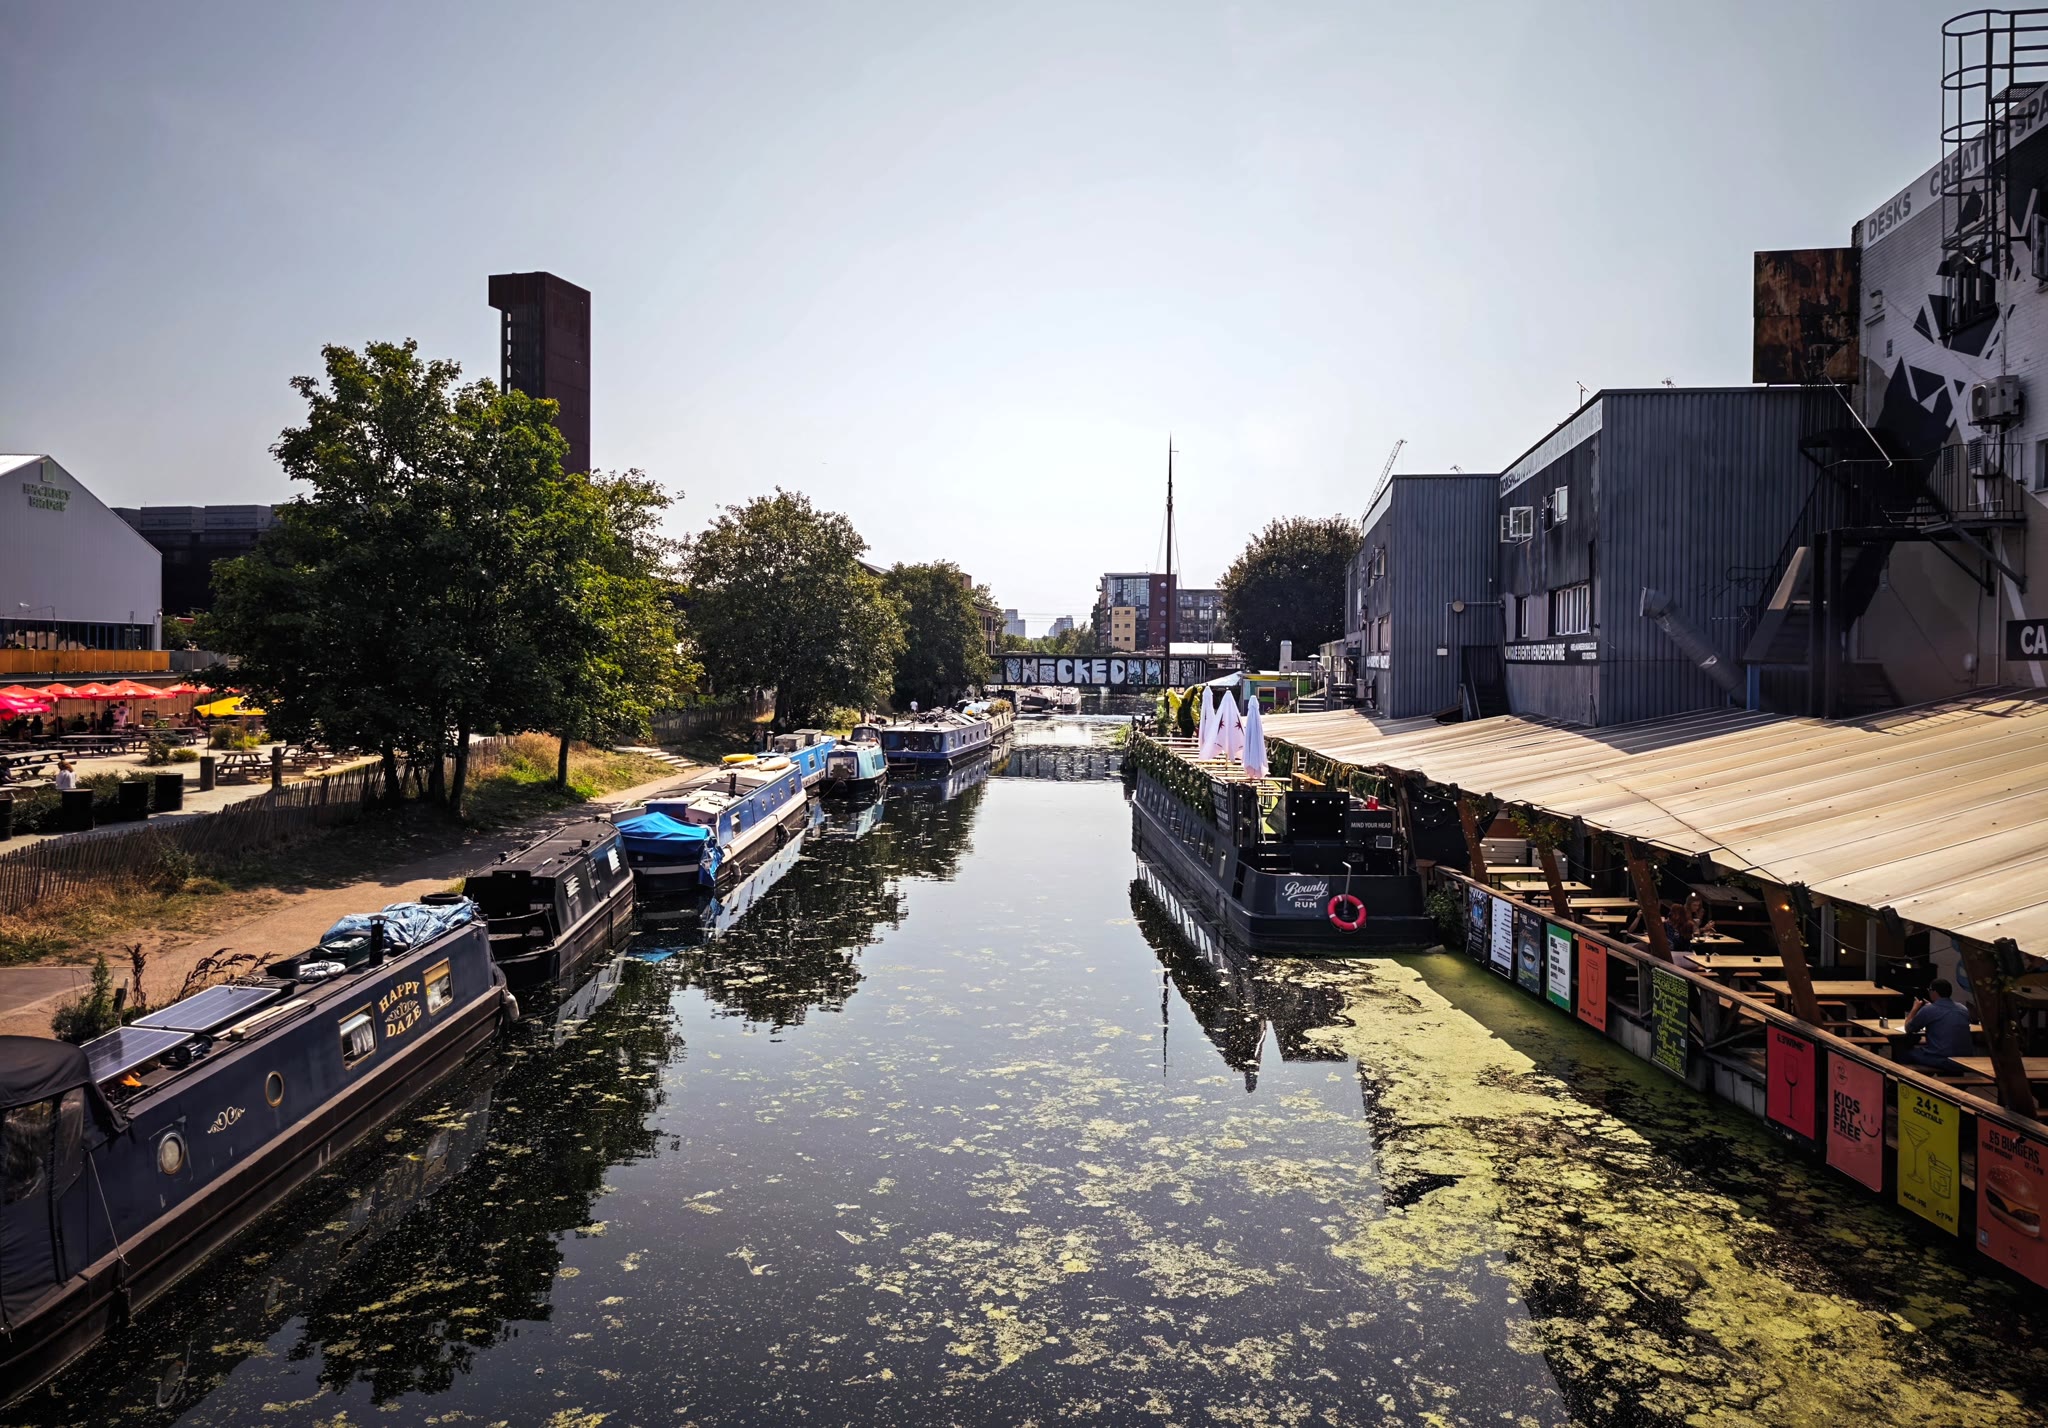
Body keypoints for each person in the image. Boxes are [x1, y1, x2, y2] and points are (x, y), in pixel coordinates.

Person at [1902, 978, 1975, 1072]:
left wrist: (1915, 1008)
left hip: (1942, 1058)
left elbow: (1908, 1028)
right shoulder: (1963, 1009)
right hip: (1965, 1058)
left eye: (1929, 990)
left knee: (1904, 1053)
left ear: (1934, 992)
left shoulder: (1929, 1010)